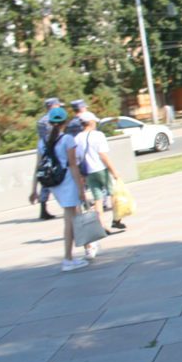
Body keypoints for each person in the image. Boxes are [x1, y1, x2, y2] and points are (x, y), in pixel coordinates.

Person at [28, 107, 93, 271]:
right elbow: (73, 166)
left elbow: (38, 167)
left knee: (73, 216)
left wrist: (34, 190)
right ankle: (68, 259)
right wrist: (81, 189)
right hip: (67, 182)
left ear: (50, 122)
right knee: (69, 220)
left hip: (53, 184)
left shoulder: (42, 142)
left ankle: (85, 249)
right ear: (65, 122)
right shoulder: (67, 140)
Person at [75, 111, 123, 238]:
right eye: (94, 121)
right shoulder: (98, 135)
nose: (95, 123)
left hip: (88, 173)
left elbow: (77, 159)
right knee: (113, 194)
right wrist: (114, 171)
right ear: (90, 122)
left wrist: (81, 177)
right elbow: (103, 155)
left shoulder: (77, 138)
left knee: (97, 199)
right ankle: (116, 219)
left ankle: (101, 225)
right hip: (101, 169)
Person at [35, 97, 62, 220]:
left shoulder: (40, 121)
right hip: (53, 150)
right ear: (54, 106)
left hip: (43, 151)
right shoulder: (52, 119)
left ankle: (43, 208)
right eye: (58, 105)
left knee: (46, 178)